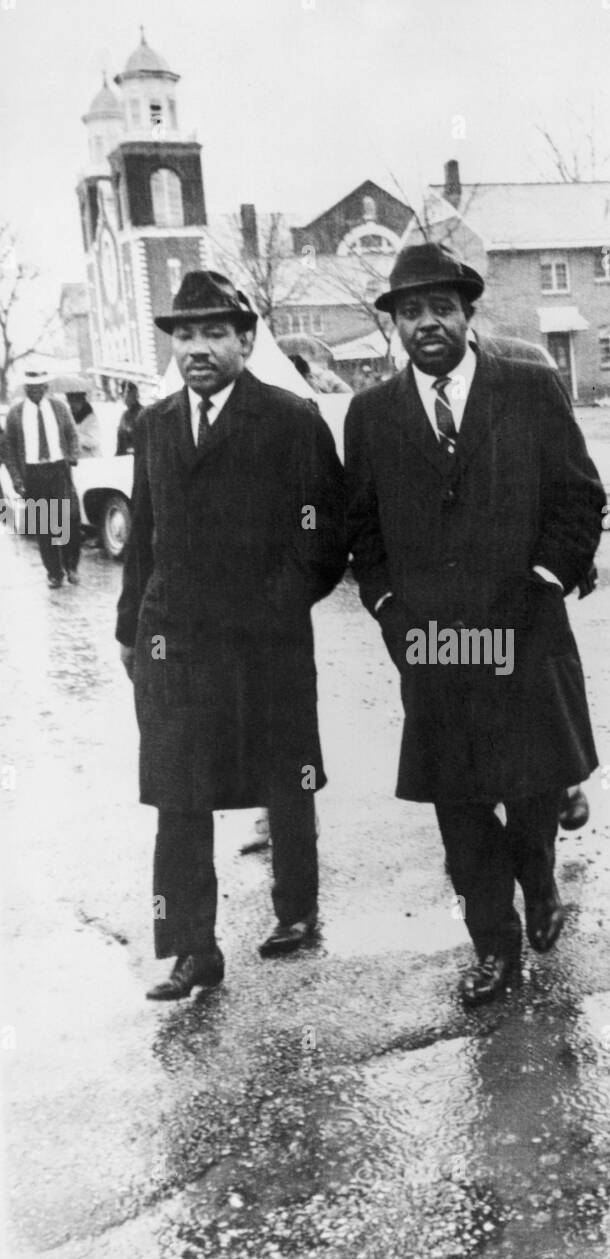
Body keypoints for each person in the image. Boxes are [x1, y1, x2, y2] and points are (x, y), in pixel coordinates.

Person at [345, 243, 604, 1006]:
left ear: (467, 314)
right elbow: (363, 529)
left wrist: (545, 582)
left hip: (523, 631)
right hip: (432, 645)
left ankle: (541, 881)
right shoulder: (371, 415)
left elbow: (577, 497)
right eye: (410, 311)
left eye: (442, 308)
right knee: (458, 806)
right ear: (393, 324)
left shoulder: (526, 388)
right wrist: (389, 609)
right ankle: (492, 944)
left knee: (531, 792)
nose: (427, 323)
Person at [115, 270, 347, 1001]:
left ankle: (297, 911)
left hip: (265, 639)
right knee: (179, 793)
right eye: (185, 334)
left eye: (215, 332)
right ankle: (193, 948)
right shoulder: (153, 426)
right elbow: (142, 537)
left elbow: (323, 533)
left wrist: (278, 605)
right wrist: (131, 629)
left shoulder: (288, 418)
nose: (198, 347)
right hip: (175, 643)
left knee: (285, 775)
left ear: (246, 340)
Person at [1, 368, 82, 587]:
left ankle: (71, 566)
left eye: (39, 387)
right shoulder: (15, 414)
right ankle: (54, 573)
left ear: (46, 387)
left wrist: (72, 456)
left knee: (65, 523)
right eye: (31, 388)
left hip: (58, 470)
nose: (35, 391)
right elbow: (8, 450)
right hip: (33, 474)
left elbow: (72, 434)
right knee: (44, 527)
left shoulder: (59, 408)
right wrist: (17, 480)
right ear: (26, 389)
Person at [65, 388, 102, 457]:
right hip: (76, 458)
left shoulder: (91, 418)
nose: (72, 405)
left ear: (82, 400)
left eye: (74, 401)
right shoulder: (68, 416)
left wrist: (74, 435)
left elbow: (94, 441)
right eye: (69, 401)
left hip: (91, 458)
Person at [116, 381, 143, 454]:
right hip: (125, 459)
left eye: (124, 394)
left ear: (133, 394)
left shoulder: (143, 413)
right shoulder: (125, 415)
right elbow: (120, 443)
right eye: (122, 395)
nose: (123, 398)